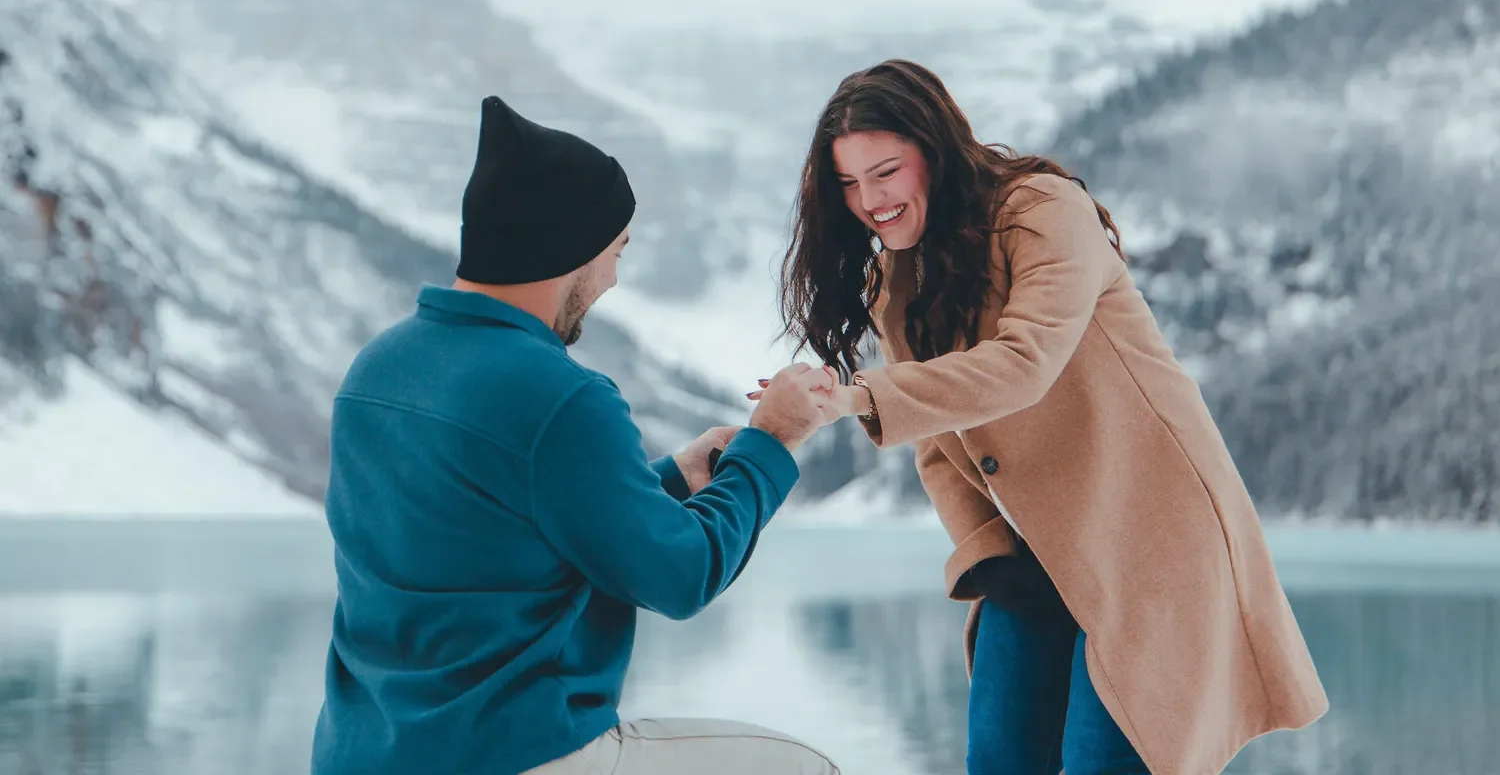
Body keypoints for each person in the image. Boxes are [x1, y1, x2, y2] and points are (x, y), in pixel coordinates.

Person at [764, 60, 1329, 775]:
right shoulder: (898, 283)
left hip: (1151, 547)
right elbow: (938, 447)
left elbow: (1026, 363)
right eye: (848, 183)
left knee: (1107, 761)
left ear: (932, 153)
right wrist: (983, 545)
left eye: (885, 172)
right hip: (1034, 557)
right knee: (997, 758)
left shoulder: (1042, 209)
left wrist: (859, 396)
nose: (869, 200)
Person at [311, 95, 842, 775]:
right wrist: (772, 442)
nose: (613, 279)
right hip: (513, 756)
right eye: (617, 252)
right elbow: (681, 576)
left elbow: (505, 531)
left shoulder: (375, 371)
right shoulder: (561, 397)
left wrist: (672, 480)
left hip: (358, 758)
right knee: (804, 767)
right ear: (574, 248)